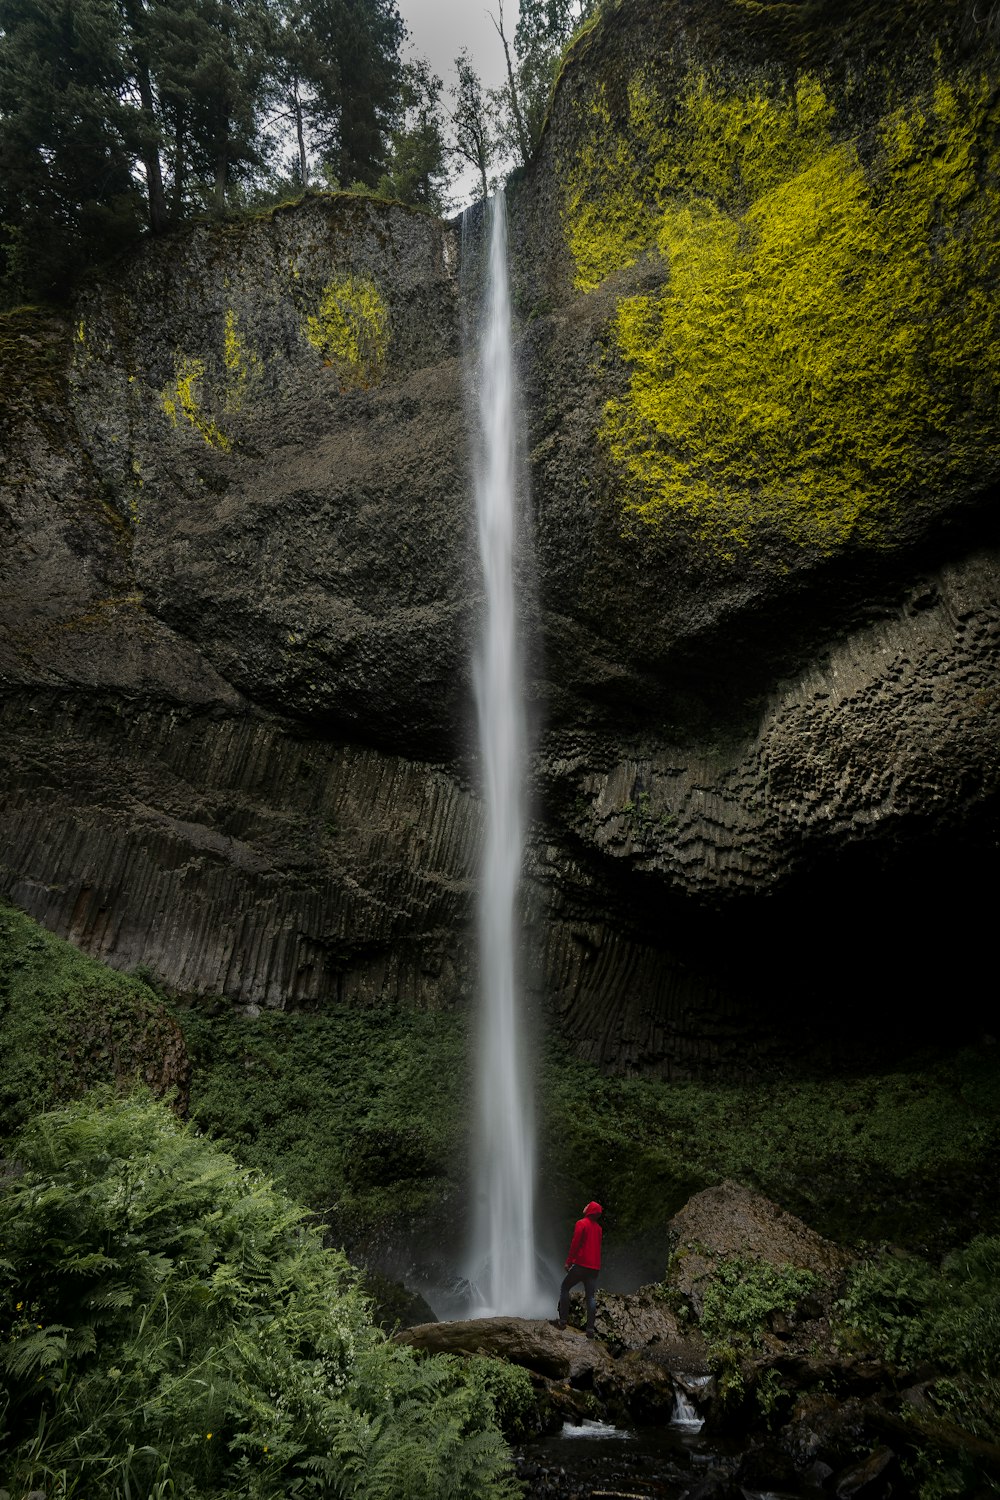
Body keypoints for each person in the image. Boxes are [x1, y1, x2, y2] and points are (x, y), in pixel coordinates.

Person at [556, 1201, 603, 1338]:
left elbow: (575, 1243)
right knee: (591, 1297)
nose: (585, 1206)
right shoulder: (599, 1229)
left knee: (565, 1287)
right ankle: (590, 1330)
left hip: (581, 1265)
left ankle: (563, 1321)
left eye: (587, 1205)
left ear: (590, 1210)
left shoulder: (581, 1224)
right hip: (594, 1268)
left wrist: (569, 1262)